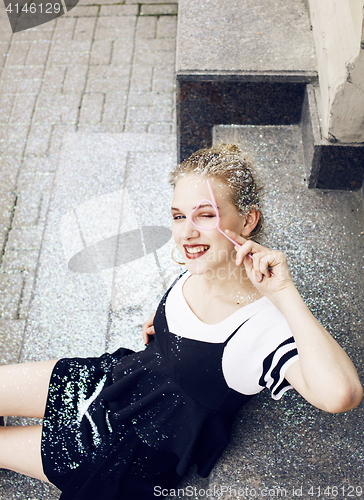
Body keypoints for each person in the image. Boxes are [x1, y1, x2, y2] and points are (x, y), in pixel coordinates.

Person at [0, 144, 362, 500]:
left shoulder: (263, 329)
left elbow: (341, 395)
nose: (186, 232)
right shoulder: (204, 262)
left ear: (248, 220)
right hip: (117, 380)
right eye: (178, 216)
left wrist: (285, 293)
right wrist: (165, 322)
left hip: (125, 448)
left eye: (205, 215)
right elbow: (187, 305)